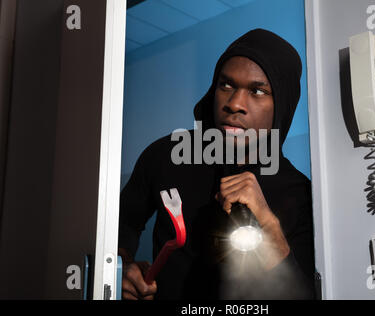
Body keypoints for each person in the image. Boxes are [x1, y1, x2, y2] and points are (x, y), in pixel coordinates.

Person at [118, 28, 316, 300]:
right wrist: (123, 266)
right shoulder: (166, 154)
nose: (235, 103)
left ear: (282, 104)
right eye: (227, 85)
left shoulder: (301, 193)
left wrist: (269, 224)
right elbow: (122, 222)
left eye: (257, 91)